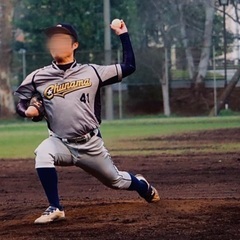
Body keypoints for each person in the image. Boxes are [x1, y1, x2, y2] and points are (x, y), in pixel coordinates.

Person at [15, 20, 160, 224]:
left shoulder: (92, 72)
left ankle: (142, 186)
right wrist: (28, 111)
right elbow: (21, 102)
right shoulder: (38, 76)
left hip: (90, 144)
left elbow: (129, 66)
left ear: (75, 45)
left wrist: (123, 35)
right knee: (43, 152)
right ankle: (55, 207)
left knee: (115, 180)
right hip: (60, 142)